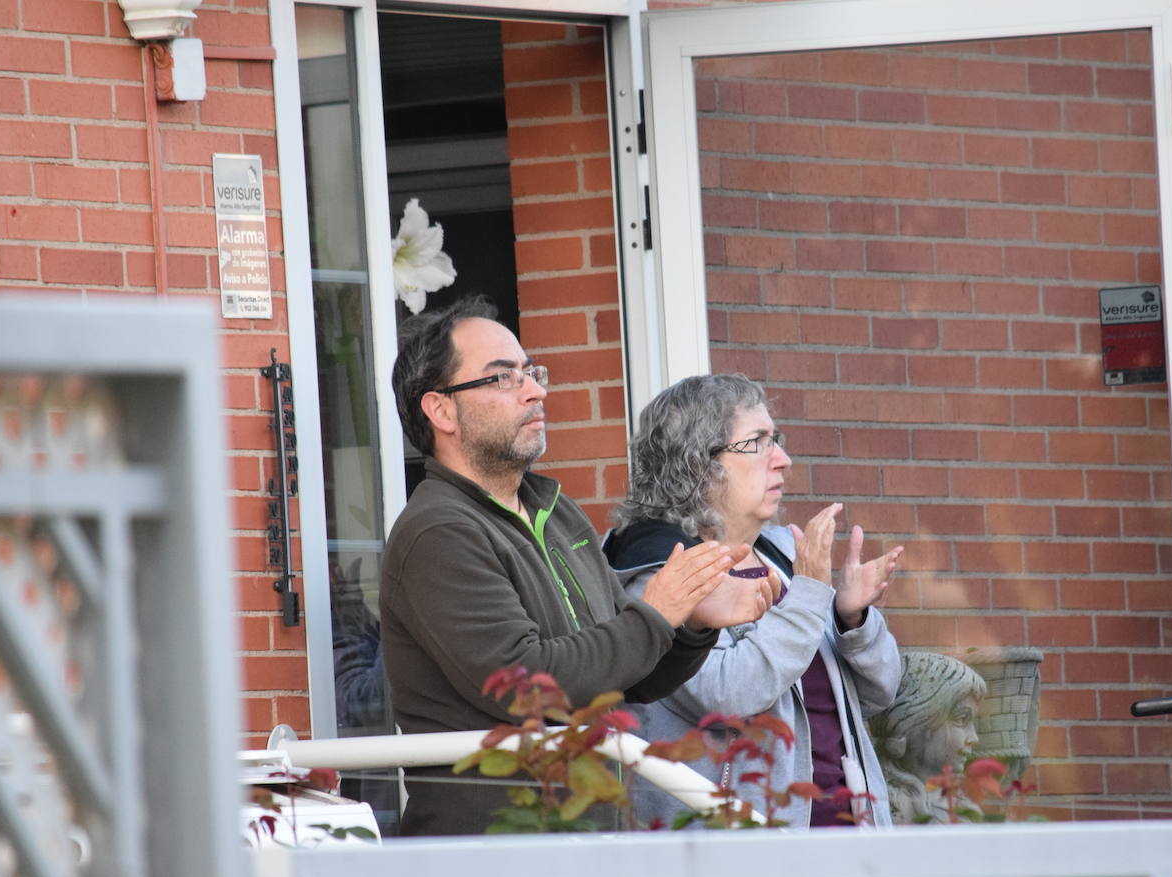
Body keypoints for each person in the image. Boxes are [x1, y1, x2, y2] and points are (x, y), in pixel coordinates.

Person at [380, 298, 771, 835]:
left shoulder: (556, 511)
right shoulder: (439, 533)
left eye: (531, 372)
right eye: (502, 379)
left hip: (580, 844)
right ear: (441, 410)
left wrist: (693, 621)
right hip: (493, 859)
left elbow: (624, 675)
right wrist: (656, 612)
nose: (536, 390)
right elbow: (531, 686)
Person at [603, 373, 904, 828]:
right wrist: (808, 596)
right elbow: (728, 694)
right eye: (758, 442)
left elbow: (883, 694)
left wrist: (851, 618)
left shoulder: (786, 555)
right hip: (738, 862)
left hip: (852, 845)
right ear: (698, 464)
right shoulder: (658, 571)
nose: (782, 459)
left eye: (776, 439)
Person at [869, 652, 988, 824]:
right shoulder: (887, 807)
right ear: (916, 722)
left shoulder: (959, 805)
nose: (974, 738)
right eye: (962, 719)